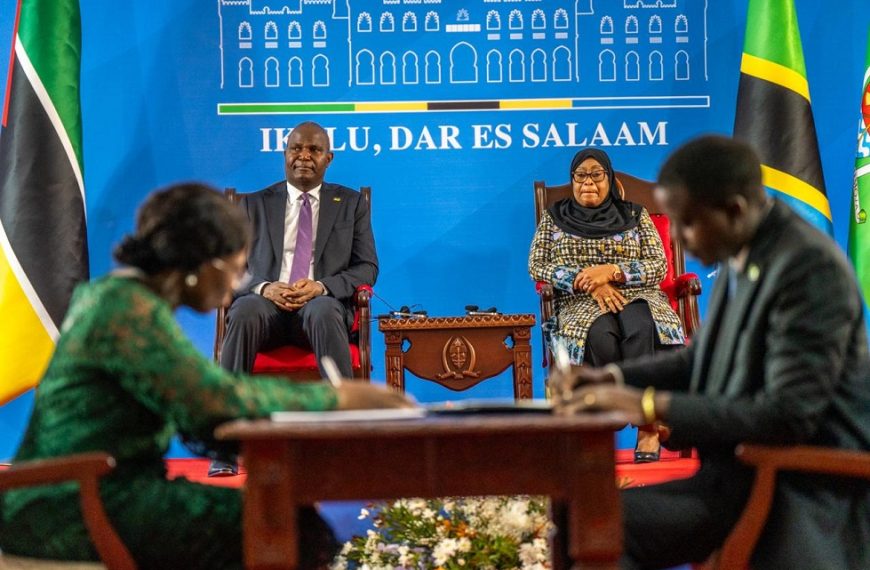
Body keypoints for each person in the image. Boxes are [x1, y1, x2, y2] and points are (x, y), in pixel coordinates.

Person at [0, 183, 413, 570]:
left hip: (86, 492)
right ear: (202, 262)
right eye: (236, 270)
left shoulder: (120, 295)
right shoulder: (127, 310)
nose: (237, 283)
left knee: (288, 521)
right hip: (73, 507)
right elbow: (211, 401)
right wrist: (338, 400)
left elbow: (202, 403)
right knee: (298, 530)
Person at [552, 136, 870, 569]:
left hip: (794, 491)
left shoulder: (808, 270)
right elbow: (696, 360)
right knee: (575, 519)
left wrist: (646, 403)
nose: (678, 238)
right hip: (734, 478)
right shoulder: (745, 254)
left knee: (594, 525)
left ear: (735, 210)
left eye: (687, 224)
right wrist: (611, 379)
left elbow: (788, 415)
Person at [210, 121, 377, 477]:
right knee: (245, 309)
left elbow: (367, 268)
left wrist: (323, 286)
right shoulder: (252, 204)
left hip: (320, 310)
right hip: (267, 310)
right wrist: (264, 287)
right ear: (284, 155)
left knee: (322, 309)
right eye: (296, 149)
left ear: (328, 158)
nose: (304, 156)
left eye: (314, 150)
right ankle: (223, 444)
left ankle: (343, 441)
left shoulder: (350, 204)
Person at [528, 147, 685, 462]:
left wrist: (614, 273)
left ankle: (647, 428)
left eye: (596, 175)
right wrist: (589, 281)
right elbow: (537, 265)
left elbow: (659, 265)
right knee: (601, 336)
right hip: (579, 303)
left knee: (641, 327)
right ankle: (608, 421)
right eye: (580, 176)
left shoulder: (634, 214)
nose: (588, 183)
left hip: (639, 295)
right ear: (572, 179)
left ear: (609, 178)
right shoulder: (554, 217)